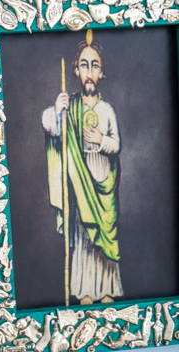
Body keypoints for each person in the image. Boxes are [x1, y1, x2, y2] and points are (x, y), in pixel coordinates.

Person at [42, 29, 123, 305]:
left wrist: (101, 140)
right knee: (85, 236)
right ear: (76, 70)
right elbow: (53, 130)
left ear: (102, 73)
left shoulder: (107, 110)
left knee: (104, 238)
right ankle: (86, 291)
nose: (89, 72)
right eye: (85, 65)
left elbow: (116, 144)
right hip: (80, 183)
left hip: (103, 182)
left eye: (95, 66)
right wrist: (57, 110)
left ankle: (107, 291)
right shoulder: (71, 105)